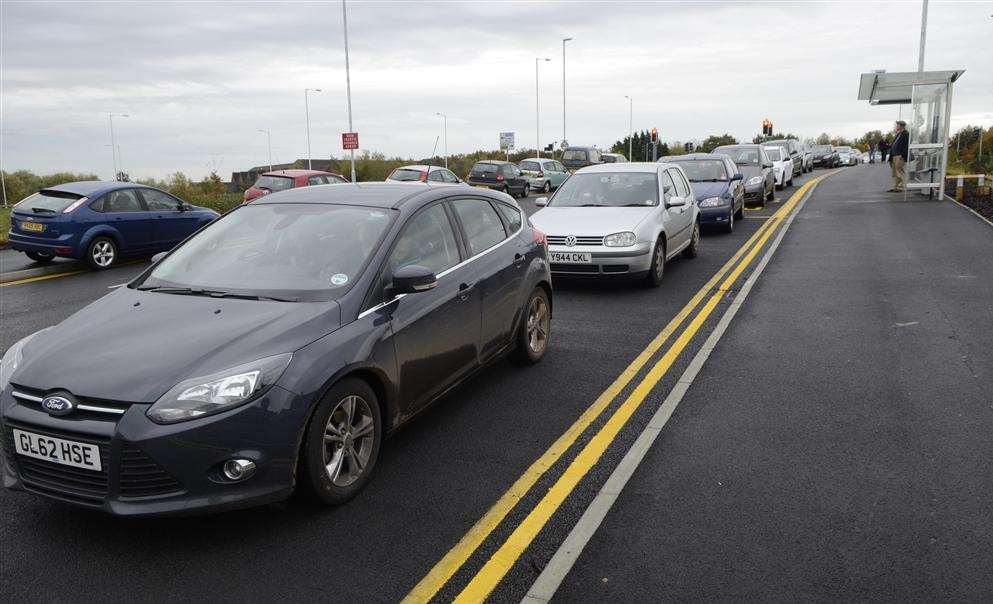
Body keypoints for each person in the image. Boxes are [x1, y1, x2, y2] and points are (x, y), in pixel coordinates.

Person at [888, 120, 909, 193]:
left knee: (899, 171)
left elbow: (906, 146)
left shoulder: (905, 134)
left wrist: (902, 155)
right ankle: (895, 187)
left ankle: (901, 187)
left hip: (899, 156)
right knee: (894, 172)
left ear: (901, 126)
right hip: (894, 155)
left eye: (897, 125)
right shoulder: (898, 134)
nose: (896, 126)